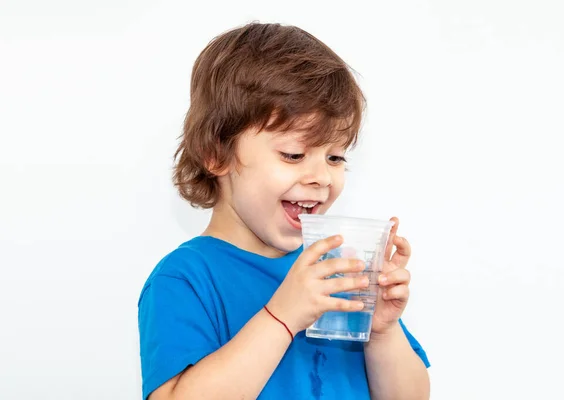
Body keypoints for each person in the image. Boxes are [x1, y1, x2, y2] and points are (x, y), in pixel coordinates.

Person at [138, 22, 430, 400]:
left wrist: (382, 332)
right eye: (294, 154)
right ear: (216, 153)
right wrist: (282, 317)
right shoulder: (185, 279)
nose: (321, 177)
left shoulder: (335, 269)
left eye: (336, 156)